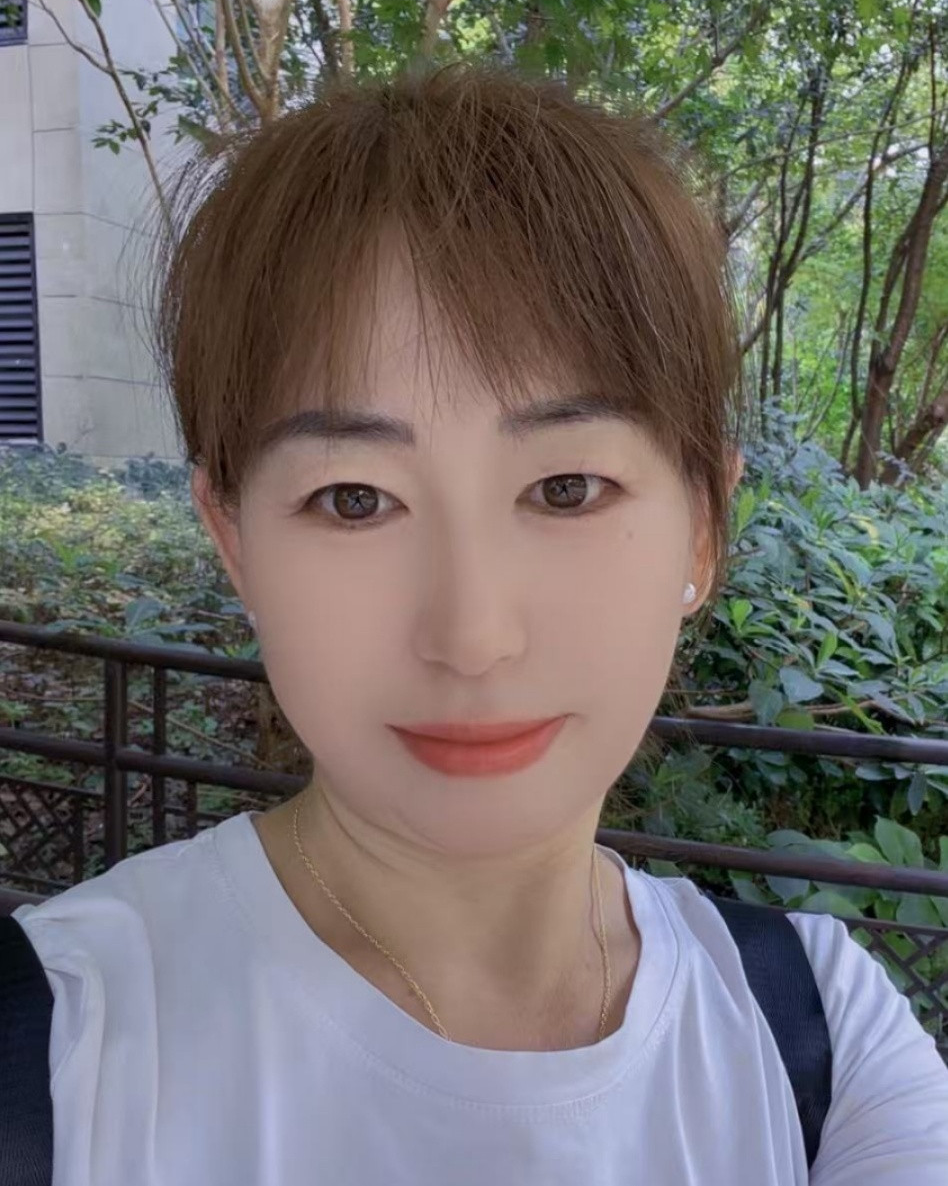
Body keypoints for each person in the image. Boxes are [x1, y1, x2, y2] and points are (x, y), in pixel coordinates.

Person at [11, 64, 948, 1185]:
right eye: (354, 499)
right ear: (234, 539)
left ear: (702, 530)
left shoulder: (822, 1036)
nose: (471, 637)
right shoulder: (56, 1044)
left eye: (565, 489)